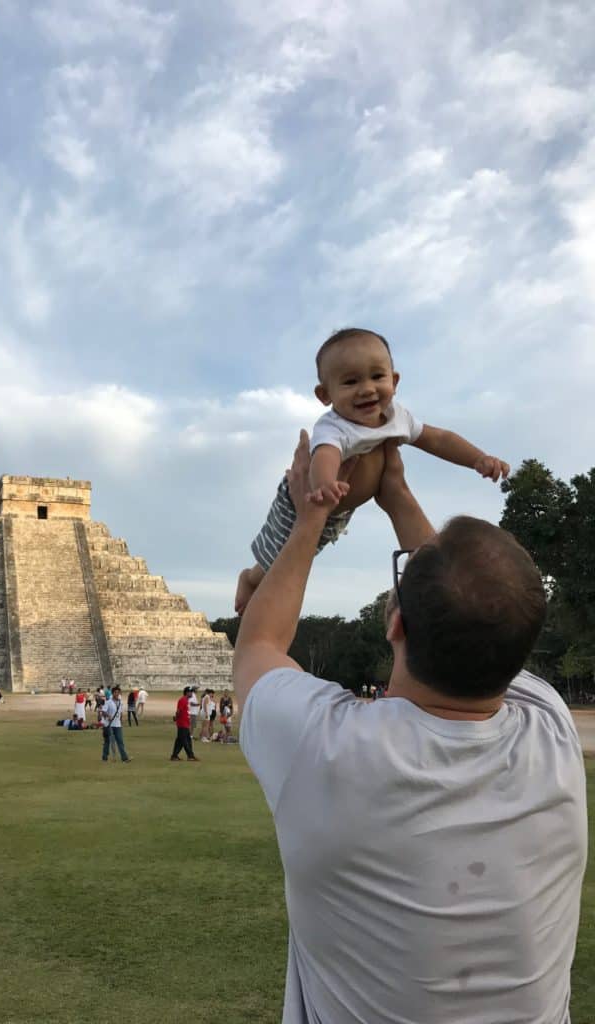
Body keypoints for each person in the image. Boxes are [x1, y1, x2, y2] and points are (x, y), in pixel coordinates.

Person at [233, 433, 587, 1023]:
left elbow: (258, 646)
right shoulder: (551, 729)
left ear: (395, 624)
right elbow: (478, 608)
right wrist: (396, 495)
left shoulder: (325, 747)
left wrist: (310, 517)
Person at [235, 328, 510, 613]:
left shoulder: (396, 416)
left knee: (303, 553)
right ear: (324, 394)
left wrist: (478, 458)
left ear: (395, 380)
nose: (366, 389)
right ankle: (250, 578)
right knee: (279, 557)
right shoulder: (335, 426)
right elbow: (324, 455)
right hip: (307, 499)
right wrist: (325, 484)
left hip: (339, 509)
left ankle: (256, 578)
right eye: (350, 381)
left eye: (377, 376)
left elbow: (438, 439)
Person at [101, 686, 130, 763]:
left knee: (120, 741)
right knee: (108, 742)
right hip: (109, 725)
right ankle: (104, 757)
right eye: (115, 692)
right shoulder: (108, 702)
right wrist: (108, 716)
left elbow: (120, 713)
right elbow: (103, 712)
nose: (117, 694)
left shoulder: (120, 703)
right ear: (113, 693)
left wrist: (121, 721)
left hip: (118, 725)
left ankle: (125, 758)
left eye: (118, 692)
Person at [170, 686, 198, 762]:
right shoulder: (183, 700)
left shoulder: (186, 700)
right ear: (187, 692)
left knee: (180, 740)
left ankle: (174, 756)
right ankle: (190, 756)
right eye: (190, 692)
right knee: (185, 741)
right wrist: (176, 717)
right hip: (182, 724)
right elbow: (179, 711)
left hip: (185, 723)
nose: (192, 693)